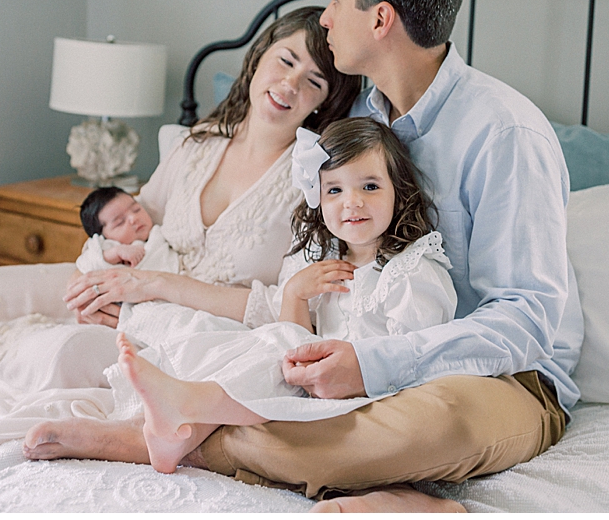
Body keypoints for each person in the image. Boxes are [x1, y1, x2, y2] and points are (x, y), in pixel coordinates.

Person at [44, 0, 583, 514]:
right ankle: (410, 497)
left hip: (502, 378)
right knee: (275, 372)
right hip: (360, 341)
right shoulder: (360, 126)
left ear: (380, 19)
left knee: (435, 422)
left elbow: (528, 319)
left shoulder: (504, 132)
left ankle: (173, 439)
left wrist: (375, 365)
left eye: (334, 0)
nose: (325, 18)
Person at [23, 5, 363, 458]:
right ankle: (158, 418)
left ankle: (134, 439)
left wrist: (157, 283)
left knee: (265, 362)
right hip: (142, 322)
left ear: (324, 100)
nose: (290, 84)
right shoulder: (196, 143)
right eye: (286, 60)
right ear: (259, 56)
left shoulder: (315, 181)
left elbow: (293, 310)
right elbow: (132, 222)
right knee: (58, 349)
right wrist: (90, 283)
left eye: (314, 81)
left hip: (225, 340)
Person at [112, 117, 457, 474]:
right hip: (312, 387)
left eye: (369, 186)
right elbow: (293, 344)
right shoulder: (323, 260)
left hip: (370, 404)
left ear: (398, 191)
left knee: (271, 348)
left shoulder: (412, 270)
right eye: (334, 190)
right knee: (256, 341)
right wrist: (294, 295)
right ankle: (181, 434)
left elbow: (419, 360)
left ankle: (188, 403)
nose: (352, 202)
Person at [74, 186, 178, 273]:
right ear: (103, 235)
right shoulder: (106, 246)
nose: (134, 218)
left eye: (136, 210)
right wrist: (115, 254)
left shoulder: (158, 233)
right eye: (120, 222)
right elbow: (85, 264)